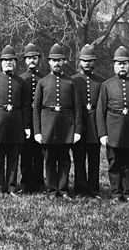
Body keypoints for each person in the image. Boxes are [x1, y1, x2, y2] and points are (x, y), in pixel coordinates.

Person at [96, 46, 129, 202]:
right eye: (119, 63)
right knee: (114, 162)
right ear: (114, 66)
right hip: (113, 128)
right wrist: (102, 133)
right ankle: (116, 193)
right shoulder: (107, 85)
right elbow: (101, 110)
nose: (122, 66)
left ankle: (128, 193)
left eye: (125, 63)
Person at [33, 43, 82, 200]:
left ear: (63, 62)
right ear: (49, 62)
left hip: (66, 127)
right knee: (49, 160)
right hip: (48, 126)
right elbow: (36, 108)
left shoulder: (71, 82)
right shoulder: (43, 82)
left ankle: (63, 189)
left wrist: (77, 131)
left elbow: (77, 109)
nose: (56, 63)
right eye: (53, 60)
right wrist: (38, 131)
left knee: (65, 160)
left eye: (59, 60)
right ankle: (52, 190)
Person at [0, 45, 29, 194]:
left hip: (16, 124)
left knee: (13, 159)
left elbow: (26, 106)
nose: (8, 63)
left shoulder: (21, 82)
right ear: (1, 63)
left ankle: (11, 186)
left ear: (16, 63)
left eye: (11, 60)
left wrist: (26, 126)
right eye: (5, 60)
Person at [71, 44, 105, 198]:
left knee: (94, 159)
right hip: (79, 123)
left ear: (94, 62)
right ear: (79, 62)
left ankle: (93, 189)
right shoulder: (73, 80)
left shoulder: (101, 81)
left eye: (90, 60)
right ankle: (79, 189)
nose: (87, 63)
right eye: (84, 60)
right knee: (79, 158)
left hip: (94, 124)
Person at [19, 43, 45, 193]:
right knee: (26, 154)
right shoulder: (21, 79)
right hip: (26, 121)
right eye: (29, 58)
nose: (32, 61)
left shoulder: (45, 78)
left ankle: (39, 184)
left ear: (39, 60)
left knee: (40, 155)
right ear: (25, 61)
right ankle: (26, 184)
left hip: (41, 122)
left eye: (34, 58)